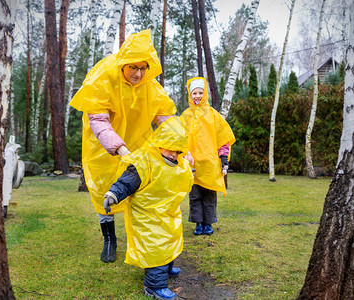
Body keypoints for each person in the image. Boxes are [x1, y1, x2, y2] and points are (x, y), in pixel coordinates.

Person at [69, 29, 177, 263]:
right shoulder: (103, 78)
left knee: (138, 192)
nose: (138, 73)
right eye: (132, 67)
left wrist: (179, 145)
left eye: (142, 68)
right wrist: (119, 148)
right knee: (102, 192)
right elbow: (97, 120)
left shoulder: (150, 85)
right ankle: (109, 240)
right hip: (102, 147)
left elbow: (165, 116)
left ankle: (138, 237)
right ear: (123, 64)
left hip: (138, 146)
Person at [103, 117, 194, 300]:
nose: (173, 155)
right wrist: (113, 194)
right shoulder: (144, 161)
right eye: (170, 149)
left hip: (168, 214)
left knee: (170, 241)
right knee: (156, 246)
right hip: (147, 216)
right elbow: (127, 181)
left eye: (178, 151)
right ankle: (154, 286)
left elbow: (184, 180)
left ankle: (166, 268)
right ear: (159, 143)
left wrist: (189, 169)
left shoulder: (179, 163)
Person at [180, 77, 236, 236]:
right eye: (194, 93)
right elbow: (179, 137)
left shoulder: (213, 115)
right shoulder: (186, 116)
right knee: (195, 195)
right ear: (190, 95)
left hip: (210, 165)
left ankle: (208, 223)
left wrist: (224, 158)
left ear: (205, 94)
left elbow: (223, 138)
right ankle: (198, 224)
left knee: (210, 196)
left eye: (200, 92)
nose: (197, 96)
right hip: (193, 165)